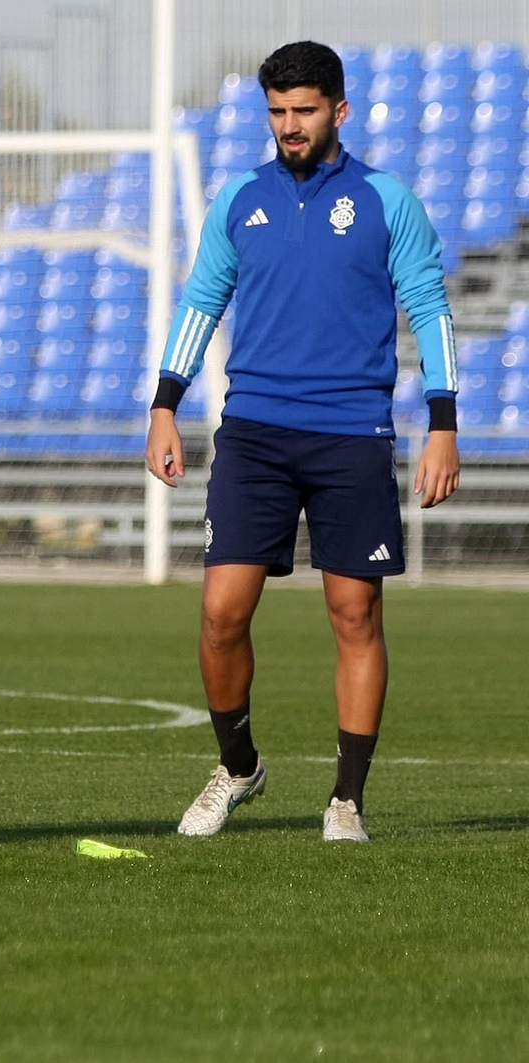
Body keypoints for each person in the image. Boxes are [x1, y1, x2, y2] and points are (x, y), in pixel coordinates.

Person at [145, 42, 459, 842]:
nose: (290, 125)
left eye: (305, 111)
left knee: (354, 613)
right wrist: (164, 405)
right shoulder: (238, 199)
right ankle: (239, 765)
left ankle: (347, 799)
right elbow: (201, 300)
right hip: (252, 432)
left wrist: (443, 425)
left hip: (353, 433)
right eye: (278, 112)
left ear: (338, 111)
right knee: (221, 611)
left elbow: (430, 308)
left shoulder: (389, 200)